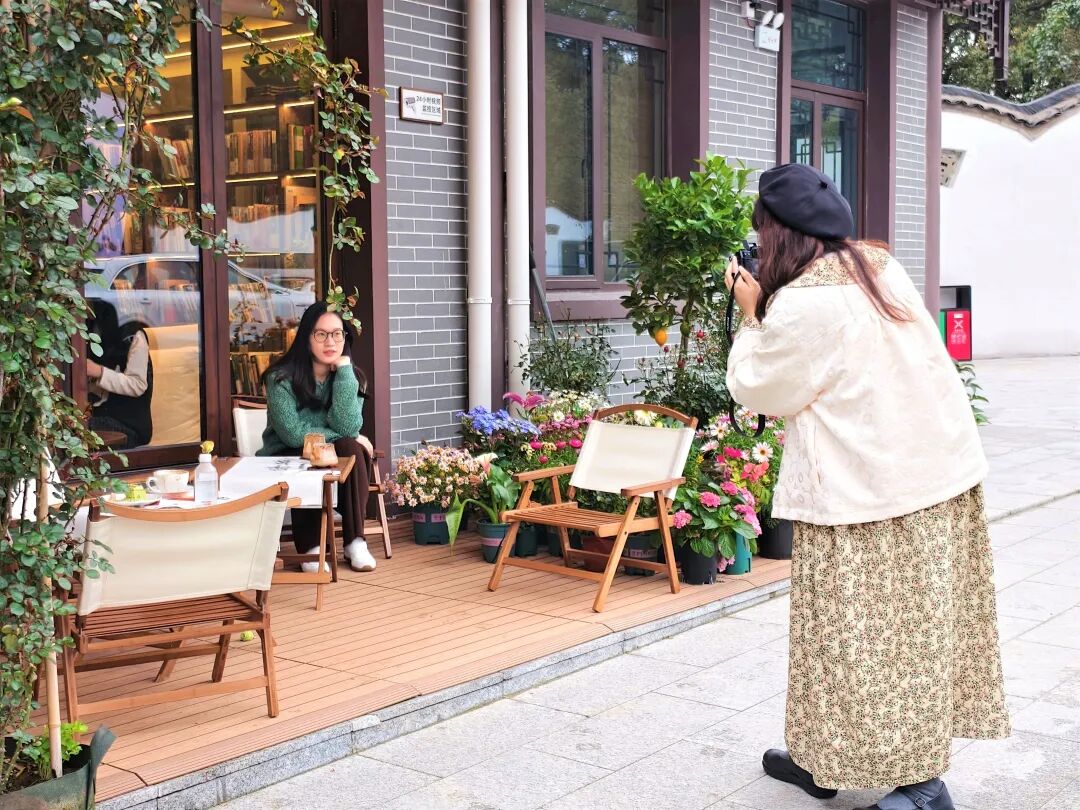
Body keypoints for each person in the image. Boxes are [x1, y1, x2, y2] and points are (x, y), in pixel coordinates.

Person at [724, 164, 1009, 810]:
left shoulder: (806, 305)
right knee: (864, 637)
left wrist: (751, 315)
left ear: (780, 236)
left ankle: (923, 788)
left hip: (876, 499)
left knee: (869, 643)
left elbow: (758, 386)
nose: (757, 245)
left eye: (761, 233)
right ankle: (823, 756)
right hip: (930, 478)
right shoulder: (878, 267)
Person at [259, 301, 377, 573]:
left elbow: (347, 426)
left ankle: (355, 542)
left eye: (337, 334)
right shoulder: (279, 379)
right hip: (285, 453)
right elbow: (292, 434)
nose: (330, 342)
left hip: (332, 453)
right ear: (306, 337)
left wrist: (344, 372)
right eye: (321, 334)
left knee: (351, 448)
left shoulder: (351, 378)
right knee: (332, 449)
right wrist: (348, 435)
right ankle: (311, 548)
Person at [87, 299, 154, 448]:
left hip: (130, 426)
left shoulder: (133, 335)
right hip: (101, 415)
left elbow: (138, 384)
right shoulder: (90, 329)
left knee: (77, 429)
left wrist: (98, 371)